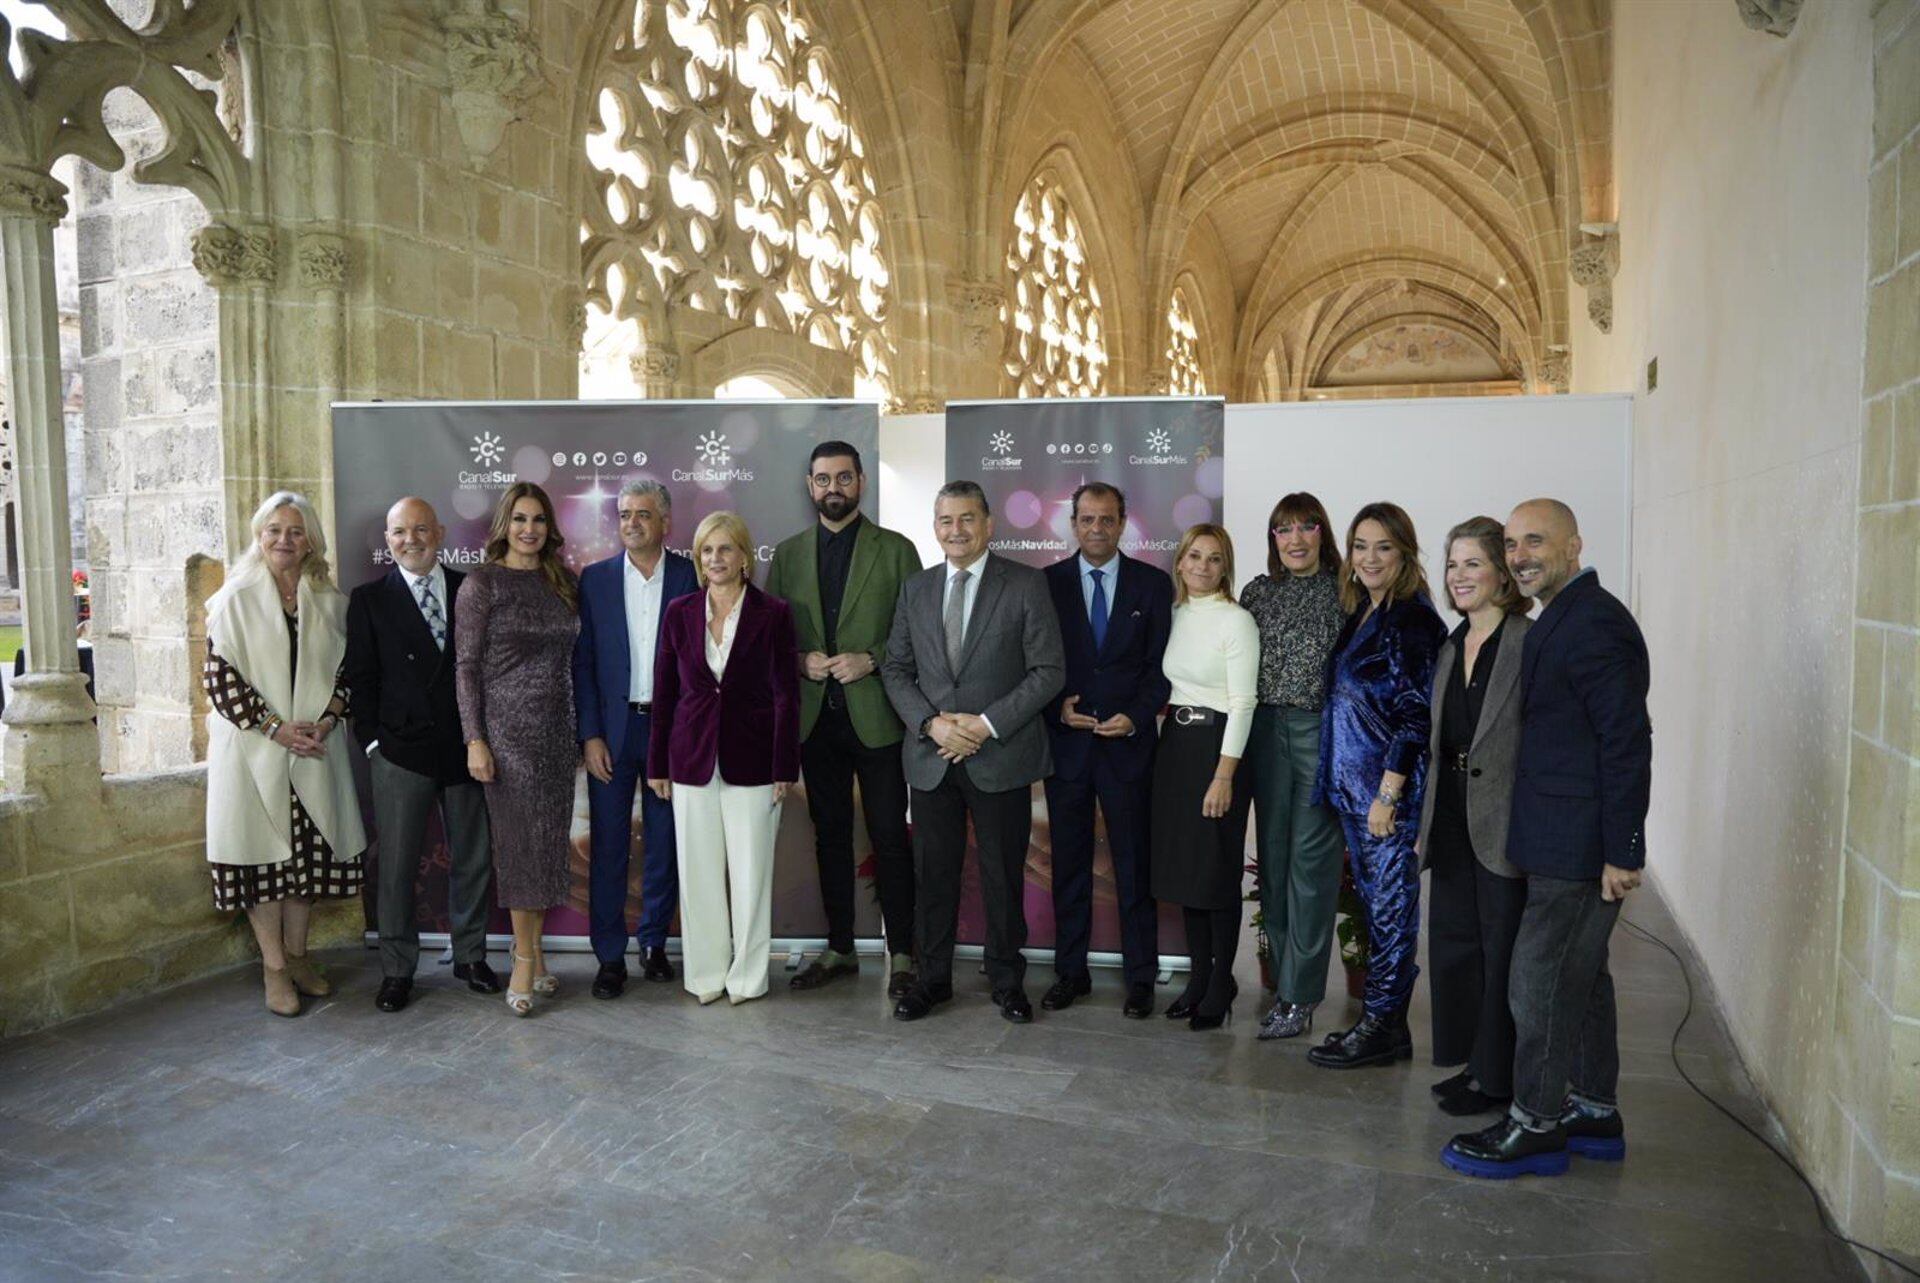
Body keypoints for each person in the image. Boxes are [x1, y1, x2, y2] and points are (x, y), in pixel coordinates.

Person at [1443, 499, 1650, 1178]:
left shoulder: (1594, 624)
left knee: (1536, 982)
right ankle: (1593, 1106)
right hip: (1559, 836)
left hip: (1581, 843)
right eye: (1511, 543)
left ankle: (1534, 1122)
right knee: (1582, 979)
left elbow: (1626, 740)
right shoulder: (1561, 618)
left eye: (1536, 541)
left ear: (1574, 544)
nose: (1522, 554)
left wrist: (1623, 848)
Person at [881, 481, 1065, 1024]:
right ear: (935, 527)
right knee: (933, 875)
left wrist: (985, 726)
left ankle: (1007, 980)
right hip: (932, 758)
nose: (955, 530)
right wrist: (932, 724)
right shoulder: (916, 589)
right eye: (945, 520)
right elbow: (895, 669)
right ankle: (931, 979)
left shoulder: (1026, 585)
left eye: (966, 519)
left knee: (1002, 876)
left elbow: (1048, 671)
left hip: (999, 756)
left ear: (989, 525)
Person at [766, 442, 923, 997]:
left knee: (888, 836)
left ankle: (903, 952)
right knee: (828, 837)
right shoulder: (786, 555)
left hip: (878, 717)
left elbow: (916, 633)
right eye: (823, 479)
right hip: (816, 722)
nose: (833, 489)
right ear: (809, 485)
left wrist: (873, 658)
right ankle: (840, 948)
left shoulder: (897, 550)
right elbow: (768, 640)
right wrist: (798, 661)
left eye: (844, 478)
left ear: (861, 482)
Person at [203, 491, 366, 1017]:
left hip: (315, 747)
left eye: (295, 531)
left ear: (311, 540)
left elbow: (349, 675)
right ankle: (273, 968)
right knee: (263, 866)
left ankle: (298, 957)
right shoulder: (235, 597)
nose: (284, 540)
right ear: (259, 534)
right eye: (274, 529)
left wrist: (326, 720)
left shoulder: (330, 600)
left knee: (305, 864)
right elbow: (218, 679)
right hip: (255, 751)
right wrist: (274, 728)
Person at [345, 497, 499, 1013]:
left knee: (473, 859)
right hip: (399, 752)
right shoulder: (369, 600)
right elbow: (360, 681)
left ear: (439, 532)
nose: (410, 540)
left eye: (419, 529)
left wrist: (483, 737)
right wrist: (373, 743)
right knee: (395, 866)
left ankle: (471, 955)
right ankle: (396, 969)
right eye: (398, 532)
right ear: (387, 541)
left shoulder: (469, 590)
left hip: (463, 748)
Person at [1307, 501, 1445, 1069]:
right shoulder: (1365, 609)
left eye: (1382, 547)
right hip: (1353, 790)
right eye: (1360, 546)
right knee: (1374, 905)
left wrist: (1388, 794)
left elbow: (1417, 717)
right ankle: (1382, 1023)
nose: (1368, 558)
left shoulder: (1412, 619)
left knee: (1390, 910)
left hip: (1383, 798)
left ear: (1405, 553)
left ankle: (1384, 1026)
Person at [647, 511, 800, 1005]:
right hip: (689, 759)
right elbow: (664, 693)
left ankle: (748, 978)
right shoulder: (679, 612)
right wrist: (656, 764)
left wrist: (784, 766)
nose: (716, 559)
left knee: (752, 874)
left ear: (744, 556)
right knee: (698, 874)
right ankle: (707, 975)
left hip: (754, 761)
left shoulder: (773, 612)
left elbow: (785, 696)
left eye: (725, 549)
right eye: (707, 550)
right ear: (698, 558)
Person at [1415, 517, 1533, 1115]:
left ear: (1501, 573)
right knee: (1457, 945)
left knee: (1501, 949)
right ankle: (1470, 1063)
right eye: (1453, 565)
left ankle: (1498, 1077)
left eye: (1473, 564)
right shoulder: (1451, 644)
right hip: (1452, 815)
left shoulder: (1526, 641)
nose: (1459, 576)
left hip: (1503, 820)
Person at [1041, 482, 1171, 1018]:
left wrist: (1137, 717)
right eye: (1087, 519)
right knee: (1068, 865)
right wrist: (1056, 710)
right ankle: (1071, 972)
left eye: (1107, 520)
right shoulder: (1045, 585)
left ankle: (1141, 976)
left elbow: (1163, 669)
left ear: (1123, 524)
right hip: (1067, 747)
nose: (1097, 528)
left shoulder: (1153, 585)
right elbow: (1034, 664)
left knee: (1132, 865)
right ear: (1073, 523)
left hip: (1128, 748)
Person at [456, 482, 580, 1016]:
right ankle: (525, 959)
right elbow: (465, 667)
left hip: (558, 735)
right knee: (521, 851)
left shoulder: (563, 582)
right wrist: (475, 738)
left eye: (538, 520)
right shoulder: (483, 584)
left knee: (548, 849)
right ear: (505, 524)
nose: (529, 530)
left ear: (550, 528)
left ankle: (535, 953)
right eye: (520, 519)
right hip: (506, 739)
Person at [574, 479, 700, 999]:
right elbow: (583, 664)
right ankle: (609, 956)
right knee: (608, 844)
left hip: (670, 733)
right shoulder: (596, 579)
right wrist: (590, 735)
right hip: (614, 732)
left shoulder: (691, 575)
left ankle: (652, 943)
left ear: (665, 521)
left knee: (664, 844)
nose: (631, 523)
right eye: (624, 514)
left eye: (643, 514)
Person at [1240, 492, 1347, 1041]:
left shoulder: (1346, 592)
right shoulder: (1257, 593)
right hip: (1262, 733)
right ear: (1273, 539)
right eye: (1284, 529)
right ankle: (1284, 983)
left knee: (1311, 867)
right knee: (1276, 864)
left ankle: (1300, 996)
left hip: (1317, 734)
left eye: (1307, 527)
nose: (1296, 539)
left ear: (1322, 534)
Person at [1149, 524, 1258, 1031]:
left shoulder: (1236, 621)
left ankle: (1220, 983)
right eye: (1194, 555)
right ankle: (1196, 978)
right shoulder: (1173, 615)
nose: (1202, 566)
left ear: (1225, 568)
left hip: (1219, 751)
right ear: (1180, 561)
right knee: (1187, 872)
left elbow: (1243, 703)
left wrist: (1224, 774)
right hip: (1176, 747)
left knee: (1215, 872)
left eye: (1215, 559)